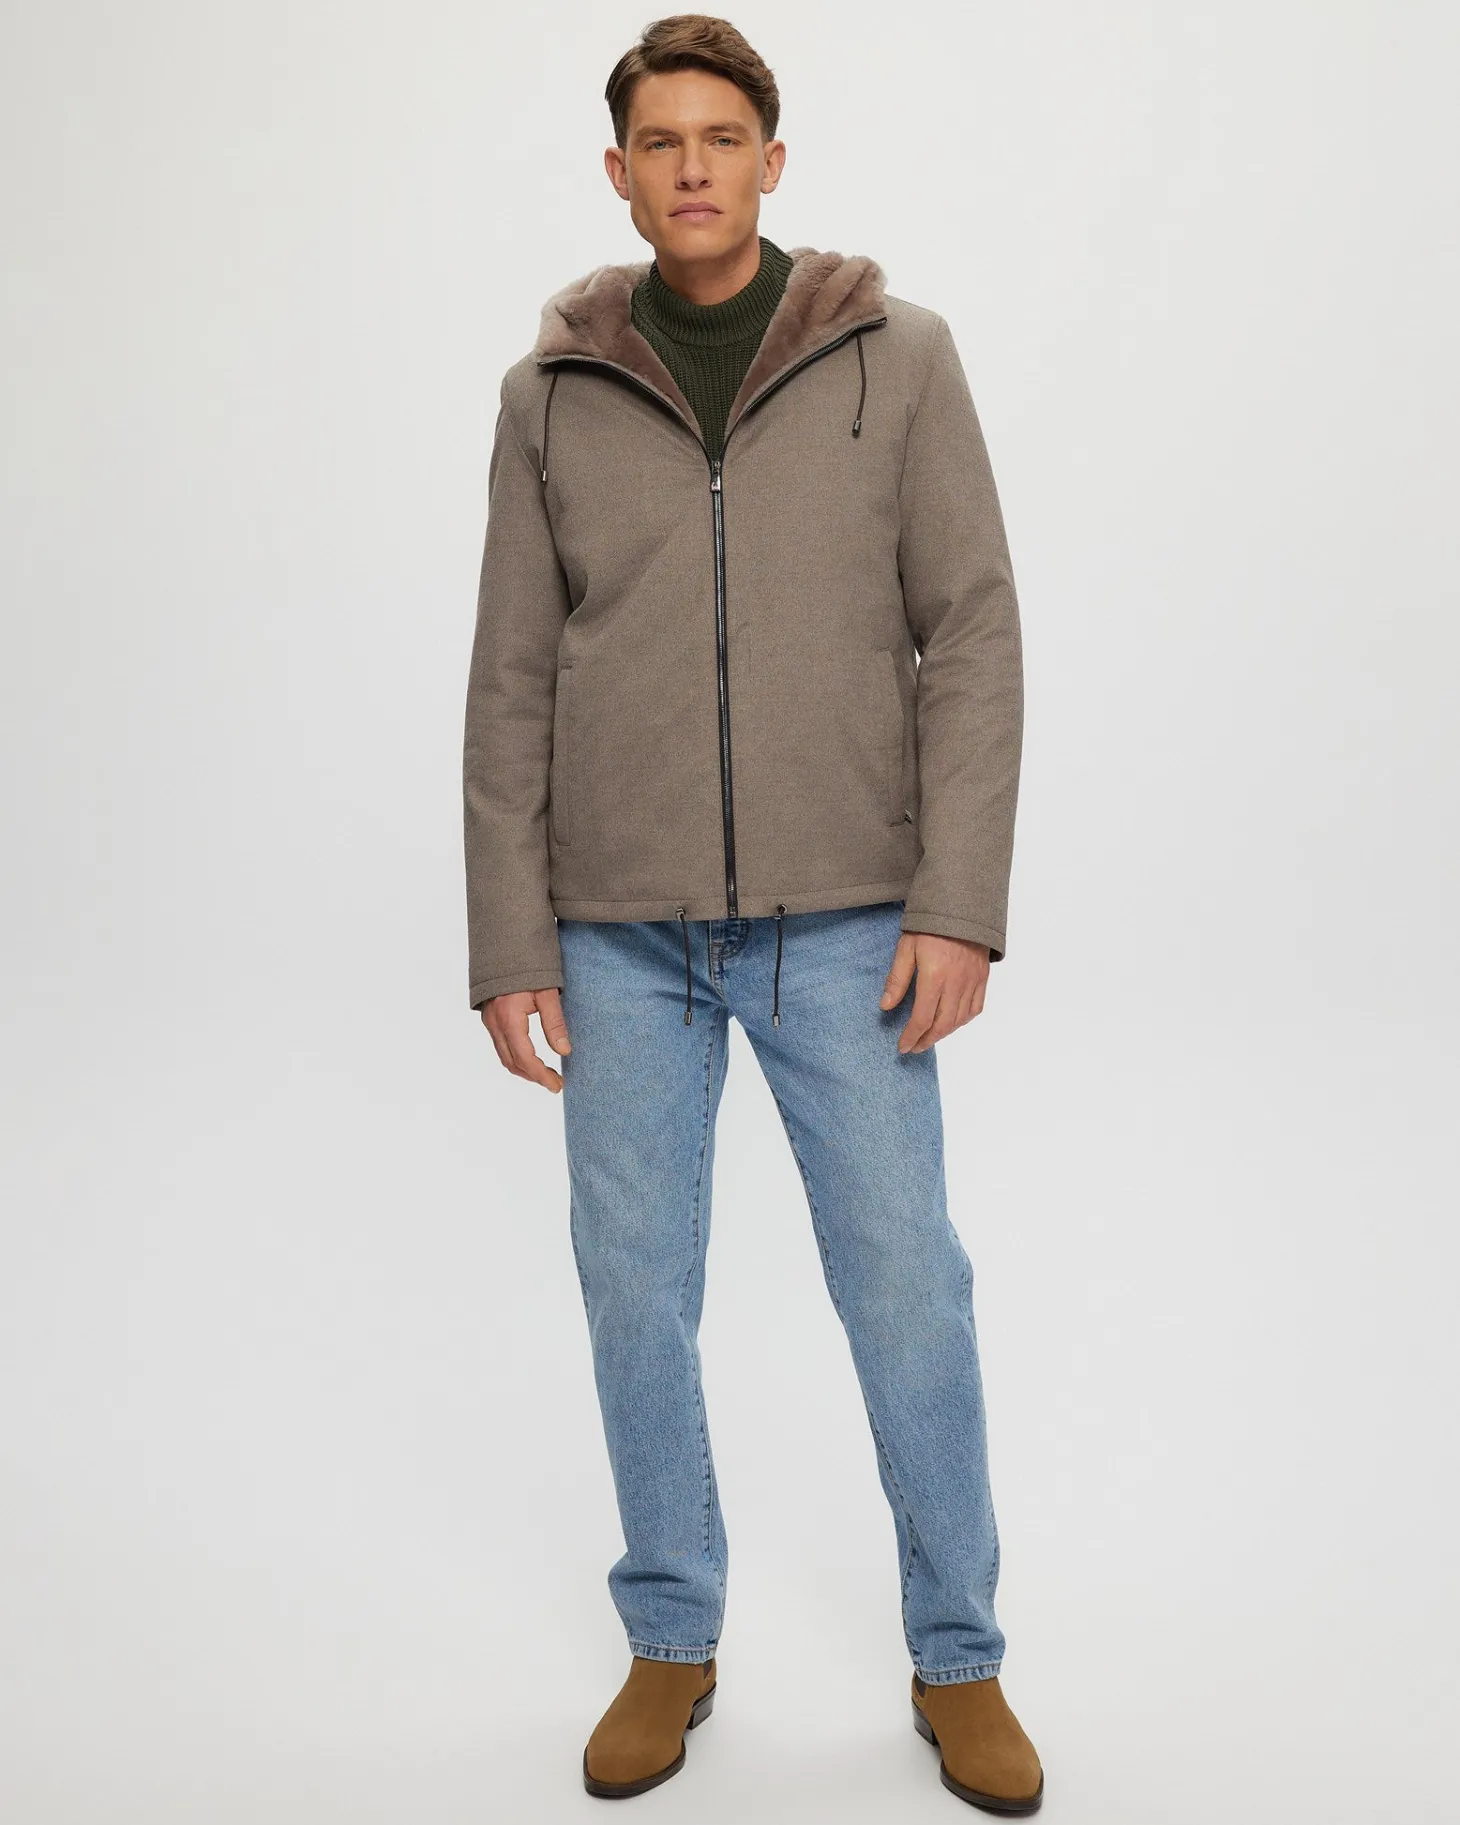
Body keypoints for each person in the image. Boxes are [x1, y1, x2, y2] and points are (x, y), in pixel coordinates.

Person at [461, 14, 1042, 1813]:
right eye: (663, 141)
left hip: (850, 920)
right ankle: (672, 1635)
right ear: (619, 173)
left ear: (773, 163)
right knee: (635, 1295)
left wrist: (958, 902)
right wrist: (510, 938)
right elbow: (510, 679)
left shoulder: (899, 357)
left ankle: (959, 1657)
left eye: (724, 137)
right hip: (617, 929)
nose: (695, 166)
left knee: (907, 1292)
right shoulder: (549, 395)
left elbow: (976, 633)